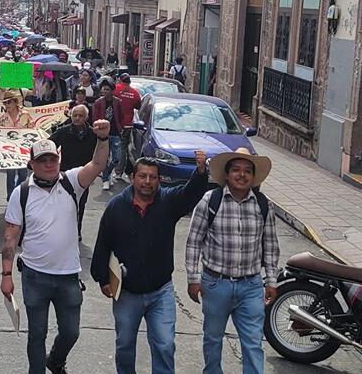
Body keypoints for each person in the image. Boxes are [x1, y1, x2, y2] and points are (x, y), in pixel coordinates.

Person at [0, 123, 111, 374]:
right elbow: (10, 237)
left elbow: (97, 165)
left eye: (52, 159)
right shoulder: (22, 193)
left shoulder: (72, 182)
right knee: (36, 334)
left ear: (58, 159)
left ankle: (56, 360)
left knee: (71, 332)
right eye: (42, 160)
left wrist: (103, 138)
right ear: (32, 164)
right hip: (34, 276)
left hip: (68, 277)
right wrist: (6, 275)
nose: (49, 164)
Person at [92, 151, 208, 374]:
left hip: (160, 291)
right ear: (133, 177)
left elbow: (191, 194)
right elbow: (103, 243)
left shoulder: (169, 202)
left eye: (152, 177)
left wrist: (201, 172)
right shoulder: (116, 207)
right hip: (126, 292)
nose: (147, 181)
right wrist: (103, 279)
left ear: (159, 180)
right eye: (142, 176)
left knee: (165, 345)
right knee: (124, 345)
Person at [185, 148, 279, 374]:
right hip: (216, 284)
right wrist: (193, 279)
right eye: (236, 169)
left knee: (253, 343)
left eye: (247, 171)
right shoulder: (211, 200)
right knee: (213, 340)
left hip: (250, 286)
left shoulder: (263, 205)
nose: (241, 175)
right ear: (226, 175)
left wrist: (272, 281)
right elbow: (194, 241)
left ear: (253, 177)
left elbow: (271, 245)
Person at [50, 105, 99, 241]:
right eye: (75, 115)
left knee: (80, 204)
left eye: (80, 116)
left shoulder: (92, 134)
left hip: (84, 175)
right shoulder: (63, 132)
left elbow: (99, 154)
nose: (77, 118)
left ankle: (76, 231)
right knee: (63, 204)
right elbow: (48, 144)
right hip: (65, 174)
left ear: (86, 117)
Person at [0, 90, 33, 198]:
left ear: (15, 102)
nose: (7, 105)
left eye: (9, 102)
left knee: (23, 174)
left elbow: (32, 130)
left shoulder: (25, 115)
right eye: (5, 103)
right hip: (9, 150)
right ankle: (11, 197)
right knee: (10, 174)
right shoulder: (2, 118)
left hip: (23, 149)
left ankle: (16, 193)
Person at [92, 78, 124, 191]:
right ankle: (105, 179)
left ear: (112, 90)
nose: (105, 91)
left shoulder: (118, 102)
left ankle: (108, 173)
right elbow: (95, 118)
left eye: (107, 89)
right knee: (104, 158)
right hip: (103, 134)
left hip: (115, 133)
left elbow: (121, 117)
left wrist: (121, 127)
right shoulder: (98, 103)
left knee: (116, 158)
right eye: (103, 89)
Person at [114, 73, 142, 182]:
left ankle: (112, 170)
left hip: (115, 123)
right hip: (127, 124)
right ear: (129, 82)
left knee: (113, 147)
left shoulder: (115, 89)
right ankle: (119, 172)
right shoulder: (134, 93)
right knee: (123, 147)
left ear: (120, 80)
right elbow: (138, 106)